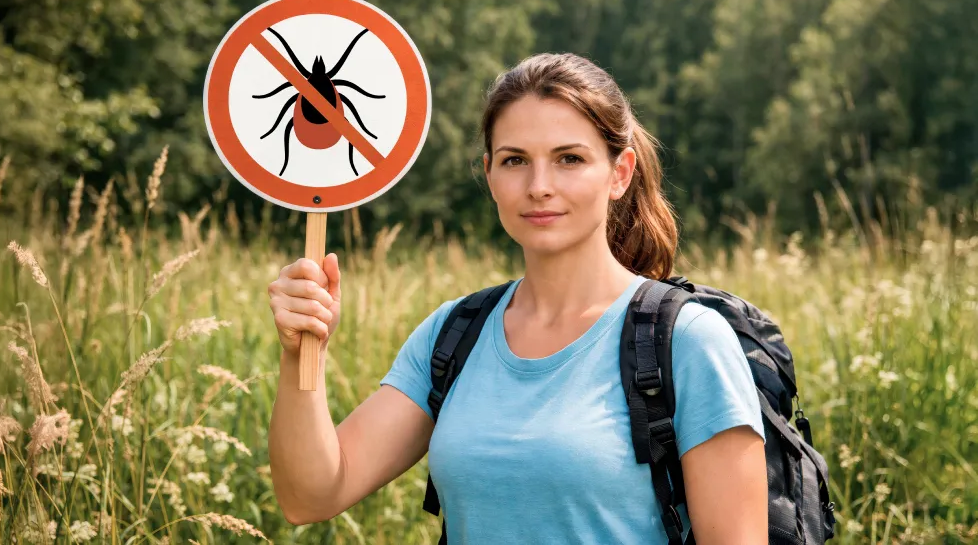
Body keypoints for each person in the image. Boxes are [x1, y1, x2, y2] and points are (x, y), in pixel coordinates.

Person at [266, 52, 768, 544]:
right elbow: (311, 496)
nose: (539, 186)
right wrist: (301, 353)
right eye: (515, 161)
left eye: (569, 159)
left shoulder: (688, 342)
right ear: (490, 175)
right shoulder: (453, 334)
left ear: (619, 173)